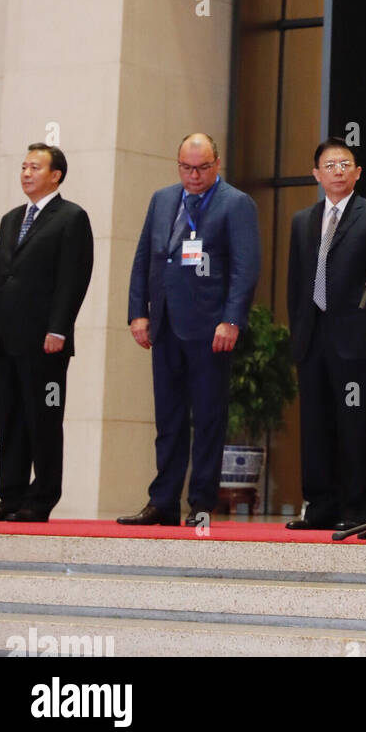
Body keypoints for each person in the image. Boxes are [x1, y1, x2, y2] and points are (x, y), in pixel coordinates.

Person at [118, 133, 260, 527]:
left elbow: (246, 267)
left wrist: (232, 319)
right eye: (186, 167)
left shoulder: (235, 203)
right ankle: (162, 501)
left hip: (210, 327)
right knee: (169, 419)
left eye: (201, 167)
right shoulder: (163, 199)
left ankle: (200, 503)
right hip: (165, 324)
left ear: (217, 165)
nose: (193, 175)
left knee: (209, 418)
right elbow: (144, 257)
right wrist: (138, 313)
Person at [285, 137, 366, 531]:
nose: (337, 170)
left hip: (355, 339)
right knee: (315, 426)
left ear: (357, 173)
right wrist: (297, 335)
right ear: (316, 174)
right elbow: (295, 284)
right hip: (312, 338)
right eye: (329, 165)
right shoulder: (302, 220)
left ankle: (356, 508)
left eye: (344, 164)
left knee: (354, 424)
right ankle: (319, 506)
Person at [0, 145, 93, 522]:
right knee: (9, 420)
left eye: (35, 167)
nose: (26, 173)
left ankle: (41, 497)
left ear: (56, 175)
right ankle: (10, 496)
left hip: (46, 344)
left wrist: (59, 328)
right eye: (24, 166)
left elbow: (73, 278)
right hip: (7, 339)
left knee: (43, 418)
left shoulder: (71, 218)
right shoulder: (11, 219)